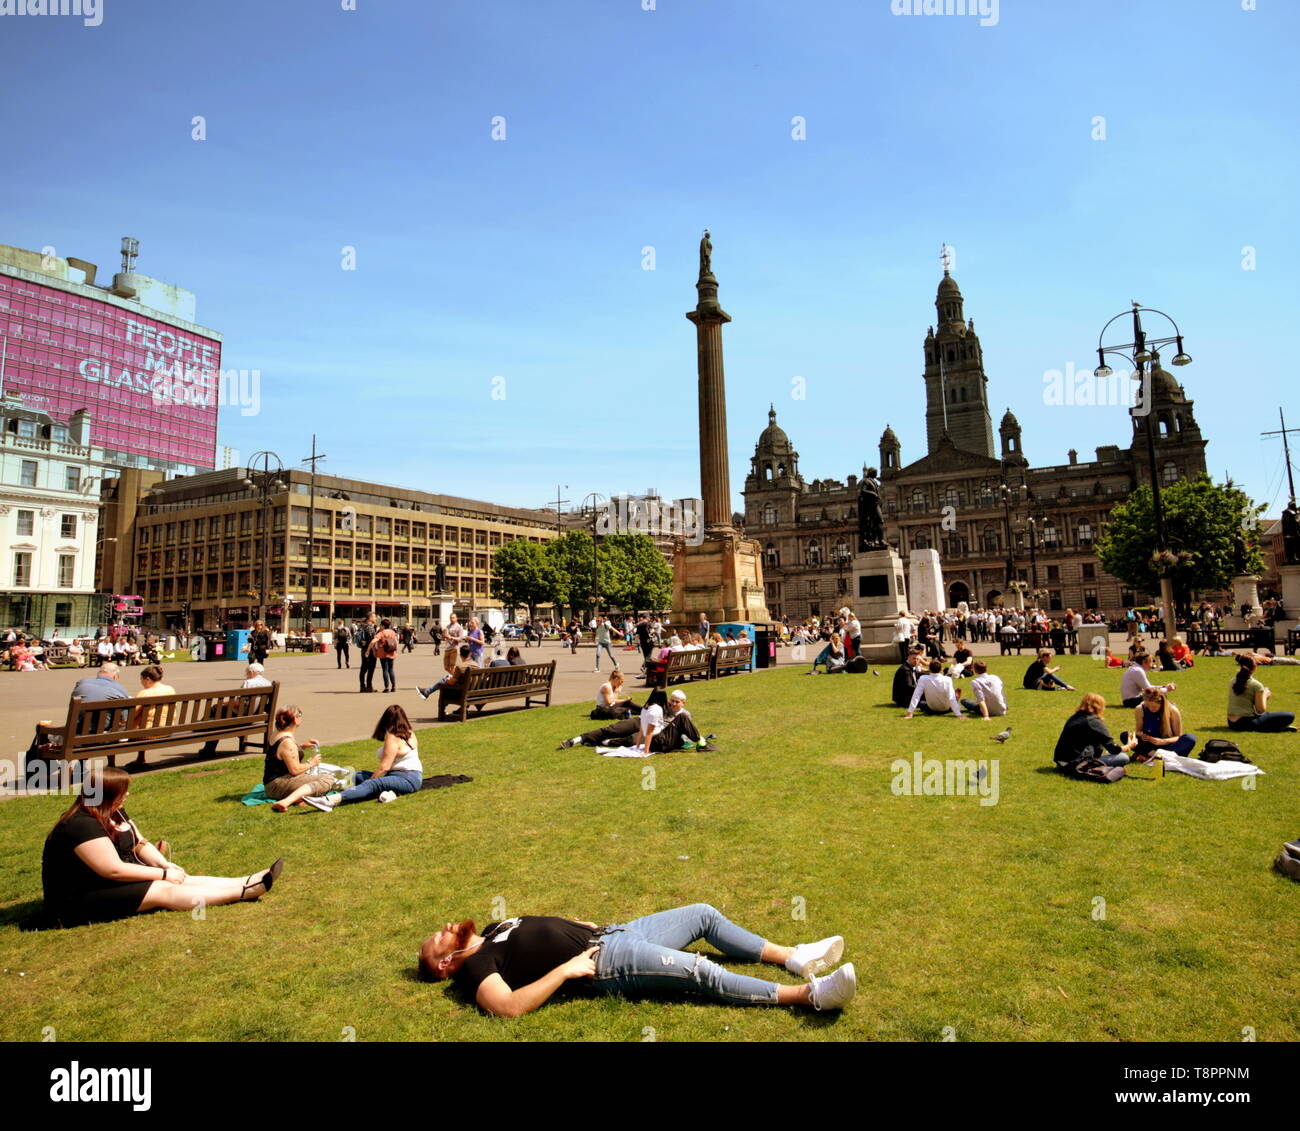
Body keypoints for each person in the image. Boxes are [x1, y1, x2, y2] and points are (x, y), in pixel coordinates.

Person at [419, 903, 856, 1014]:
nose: (444, 927)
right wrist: (566, 970)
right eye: (438, 939)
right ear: (445, 964)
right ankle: (811, 995)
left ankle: (795, 957)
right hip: (609, 963)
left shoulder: (492, 933)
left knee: (701, 914)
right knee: (700, 971)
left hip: (617, 931)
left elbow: (542, 929)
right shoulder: (476, 969)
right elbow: (507, 1007)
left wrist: (582, 923)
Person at [42, 766, 284, 927]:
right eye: (122, 792)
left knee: (180, 878)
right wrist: (163, 874)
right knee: (161, 890)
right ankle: (244, 892)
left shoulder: (114, 812)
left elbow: (139, 843)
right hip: (77, 900)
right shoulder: (80, 825)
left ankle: (243, 880)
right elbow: (112, 870)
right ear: (105, 795)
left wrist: (164, 863)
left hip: (106, 884)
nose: (127, 796)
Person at [306, 705, 423, 811]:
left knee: (371, 784)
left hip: (406, 778)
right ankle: (390, 793)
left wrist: (371, 781)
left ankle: (330, 801)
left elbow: (384, 768)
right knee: (358, 775)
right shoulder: (410, 733)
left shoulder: (393, 738)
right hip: (409, 777)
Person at [562, 689, 707, 753]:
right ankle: (576, 739)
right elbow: (646, 710)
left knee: (631, 739)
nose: (673, 704)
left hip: (658, 735)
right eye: (672, 701)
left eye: (677, 702)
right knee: (614, 729)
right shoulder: (664, 707)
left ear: (683, 703)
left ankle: (602, 742)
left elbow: (685, 736)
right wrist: (630, 704)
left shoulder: (685, 715)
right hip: (645, 723)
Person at [264, 706, 336, 811]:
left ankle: (299, 797)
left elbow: (282, 753)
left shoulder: (278, 733)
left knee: (317, 776)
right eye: (300, 715)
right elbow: (295, 770)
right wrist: (311, 763)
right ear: (295, 719)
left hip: (272, 783)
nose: (301, 718)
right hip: (276, 786)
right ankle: (288, 801)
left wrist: (302, 746)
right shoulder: (287, 741)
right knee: (327, 780)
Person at [1053, 693, 1137, 770]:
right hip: (1074, 764)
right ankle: (1092, 764)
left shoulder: (1075, 717)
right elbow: (1113, 749)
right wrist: (1129, 746)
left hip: (1060, 761)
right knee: (1124, 757)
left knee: (1097, 741)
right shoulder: (1093, 722)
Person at [1227, 654, 1297, 732]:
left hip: (1232, 723)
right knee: (1289, 715)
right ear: (1255, 667)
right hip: (1247, 723)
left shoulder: (1232, 681)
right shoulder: (1256, 685)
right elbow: (1260, 710)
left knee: (1267, 715)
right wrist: (1265, 695)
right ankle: (1276, 728)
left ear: (1240, 666)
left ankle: (1275, 728)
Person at [1130, 686, 1197, 760]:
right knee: (1126, 736)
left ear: (1161, 703)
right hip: (1150, 744)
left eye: (1154, 706)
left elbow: (1178, 736)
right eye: (1147, 706)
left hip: (1168, 744)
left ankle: (1151, 756)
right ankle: (1160, 757)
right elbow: (1138, 731)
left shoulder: (1173, 711)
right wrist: (1143, 736)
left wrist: (1162, 741)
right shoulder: (1140, 709)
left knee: (1189, 738)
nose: (1151, 709)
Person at [131, 664, 176, 731]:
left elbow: (132, 715)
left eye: (141, 679)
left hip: (146, 733)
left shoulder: (145, 693)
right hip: (167, 730)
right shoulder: (170, 690)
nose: (141, 682)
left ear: (147, 679)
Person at [369, 618, 400, 694]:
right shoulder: (393, 632)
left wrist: (370, 648)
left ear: (383, 625)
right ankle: (393, 687)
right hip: (391, 652)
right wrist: (396, 650)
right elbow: (396, 641)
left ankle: (387, 687)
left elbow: (374, 641)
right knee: (391, 670)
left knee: (385, 670)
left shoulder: (381, 633)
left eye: (381, 625)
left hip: (383, 653)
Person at [354, 613, 378, 693]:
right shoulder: (370, 627)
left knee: (363, 669)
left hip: (363, 649)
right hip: (369, 650)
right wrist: (373, 650)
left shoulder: (362, 626)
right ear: (370, 618)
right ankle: (369, 686)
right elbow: (372, 640)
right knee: (371, 669)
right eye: (374, 617)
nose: (376, 618)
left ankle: (362, 686)